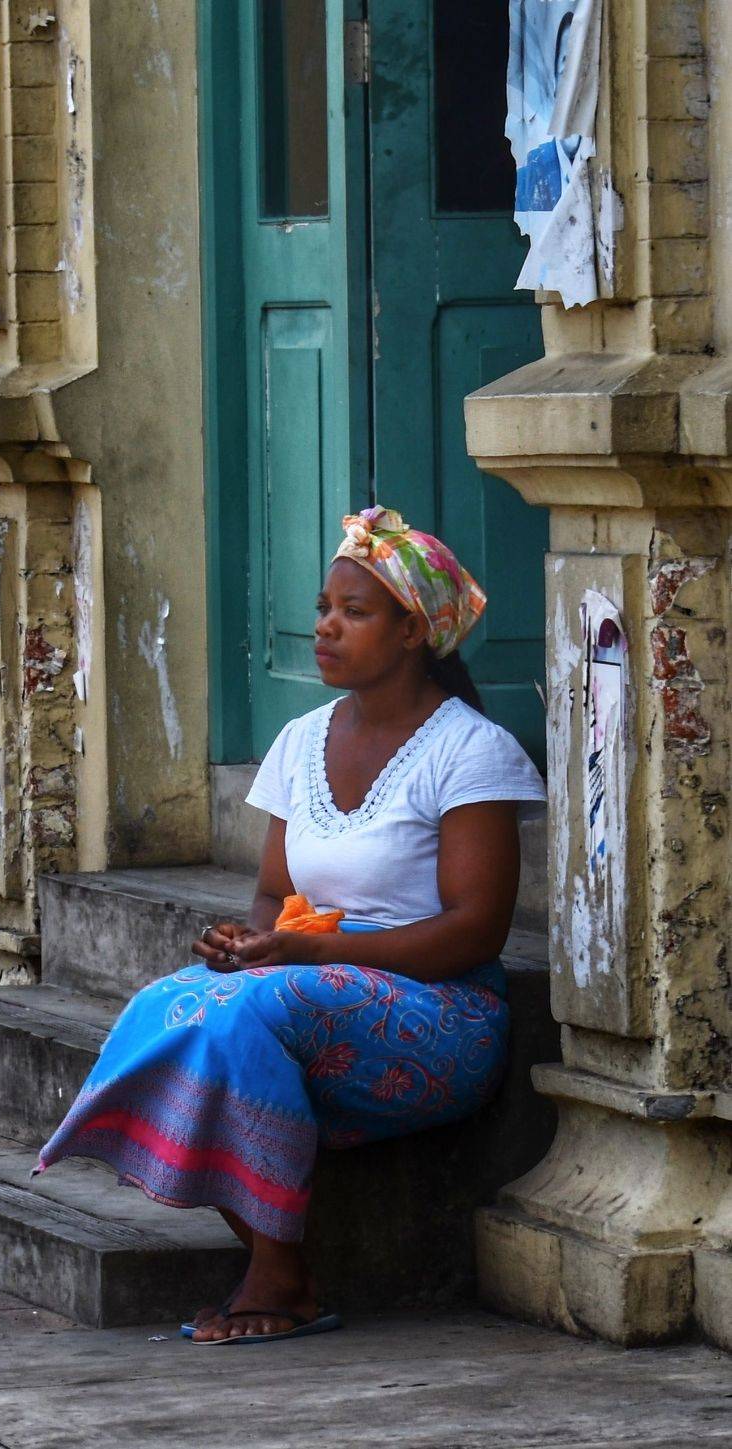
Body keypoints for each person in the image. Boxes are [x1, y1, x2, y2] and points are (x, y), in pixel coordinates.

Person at [35, 506, 546, 1345]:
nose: (326, 627)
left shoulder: (470, 750)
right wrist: (252, 944)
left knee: (246, 1013)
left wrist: (308, 952)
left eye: (354, 611)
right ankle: (274, 1261)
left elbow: (475, 933)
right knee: (170, 1001)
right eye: (322, 608)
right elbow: (274, 895)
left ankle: (280, 1275)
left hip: (443, 1015)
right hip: (310, 990)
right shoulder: (301, 740)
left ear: (414, 630)